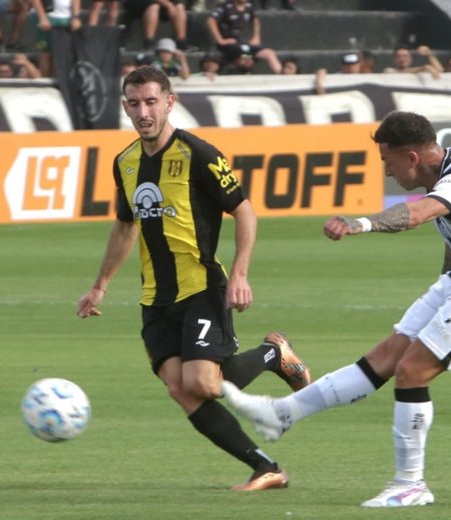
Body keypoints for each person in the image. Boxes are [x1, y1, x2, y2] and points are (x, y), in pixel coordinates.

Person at [222, 110, 451, 508]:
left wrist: (360, 224)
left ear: (412, 158)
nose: (386, 171)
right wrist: (445, 289)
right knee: (383, 358)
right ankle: (283, 413)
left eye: (388, 160)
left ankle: (410, 484)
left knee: (412, 371)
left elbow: (418, 214)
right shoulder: (449, 163)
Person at [76, 66, 312, 491]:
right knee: (180, 389)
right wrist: (100, 285)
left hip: (202, 286)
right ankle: (266, 467)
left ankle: (272, 355)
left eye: (151, 101)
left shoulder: (198, 154)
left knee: (201, 382)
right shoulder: (125, 162)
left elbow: (244, 210)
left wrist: (240, 273)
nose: (142, 112)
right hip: (155, 297)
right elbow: (125, 226)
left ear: (170, 101)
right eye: (133, 103)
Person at [207, 0, 281, 74]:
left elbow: (255, 19)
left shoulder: (249, 6)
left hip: (248, 44)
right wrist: (220, 40)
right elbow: (211, 21)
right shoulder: (225, 7)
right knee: (245, 58)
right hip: (233, 46)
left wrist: (256, 37)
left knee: (269, 53)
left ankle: (284, 78)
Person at [29, 0, 81, 77]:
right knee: (46, 54)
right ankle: (45, 80)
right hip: (47, 15)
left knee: (63, 53)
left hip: (67, 17)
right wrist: (42, 17)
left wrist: (76, 17)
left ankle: (61, 80)